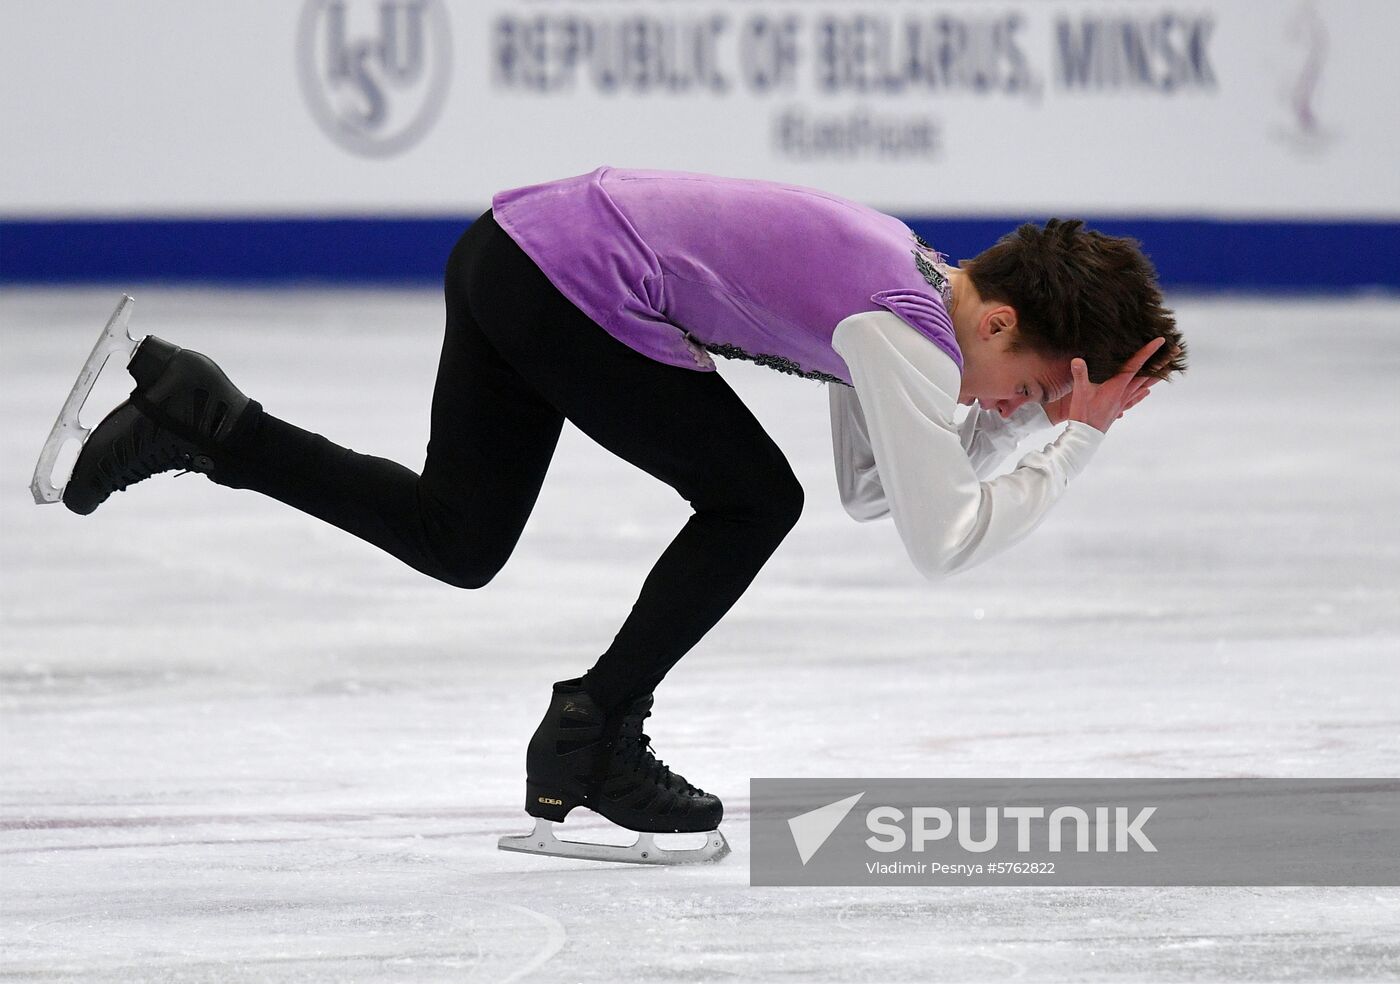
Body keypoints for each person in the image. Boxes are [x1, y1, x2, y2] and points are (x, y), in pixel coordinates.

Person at [54, 166, 1186, 862]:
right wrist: (1077, 438)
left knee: (460, 538)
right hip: (563, 276)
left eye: (1034, 410)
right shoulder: (899, 334)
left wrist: (1052, 418)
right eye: (1030, 389)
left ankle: (206, 422)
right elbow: (940, 541)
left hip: (514, 251)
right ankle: (594, 737)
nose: (1019, 413)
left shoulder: (915, 295)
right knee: (749, 499)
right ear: (995, 328)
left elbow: (878, 487)